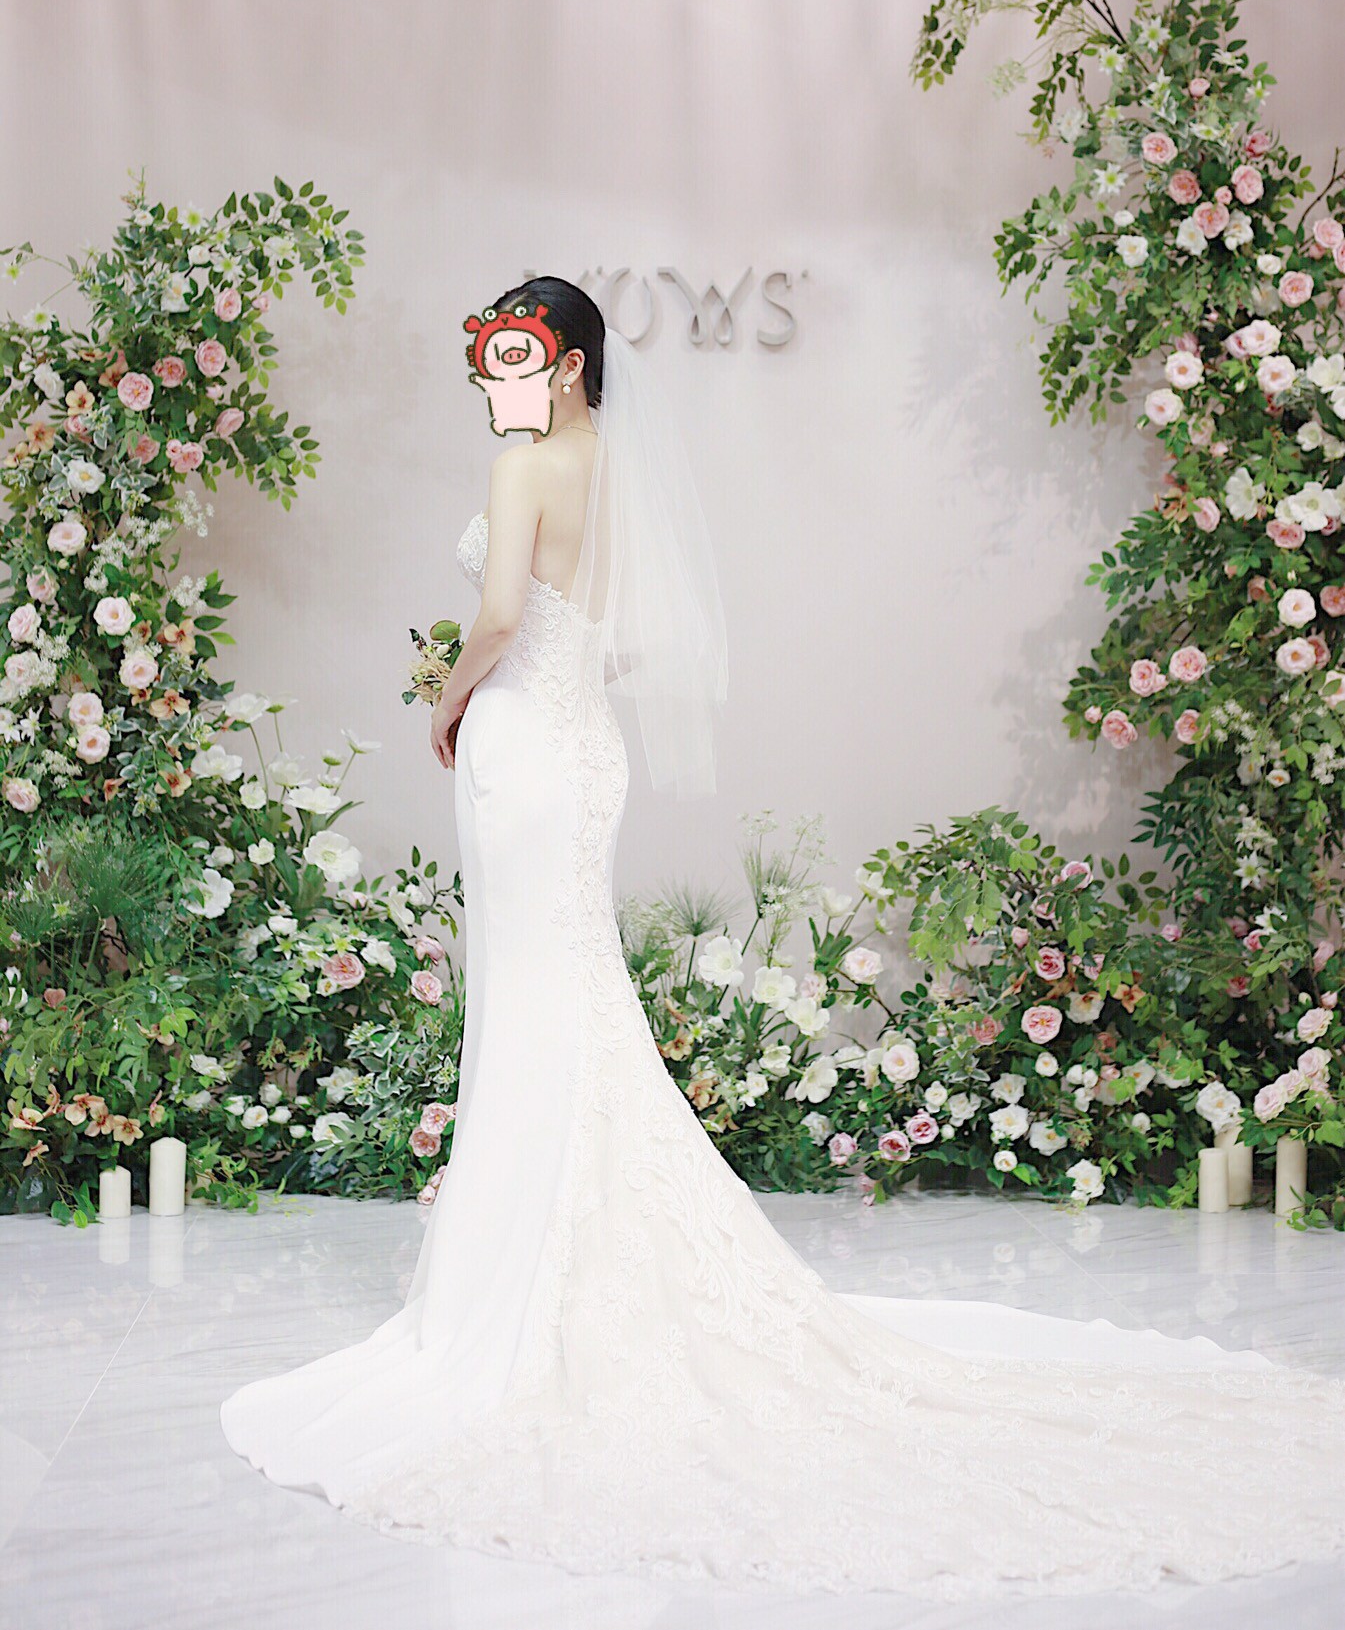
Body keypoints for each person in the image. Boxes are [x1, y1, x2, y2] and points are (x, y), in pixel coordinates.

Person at [221, 279, 1345, 1601]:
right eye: (489, 360)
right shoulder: (618, 471)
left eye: (513, 356)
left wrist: (448, 700)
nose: (497, 379)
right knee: (566, 990)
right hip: (584, 750)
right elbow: (618, 642)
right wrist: (526, 684)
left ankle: (512, 1286)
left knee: (533, 996)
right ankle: (541, 1255)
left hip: (523, 749)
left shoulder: (524, 464)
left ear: (564, 363)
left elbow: (505, 619)